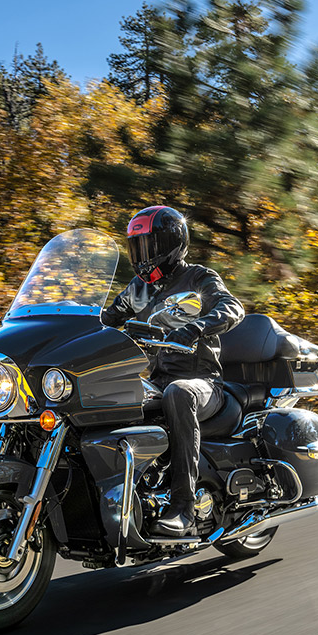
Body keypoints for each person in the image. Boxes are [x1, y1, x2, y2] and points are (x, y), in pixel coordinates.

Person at [101, 206, 245, 536]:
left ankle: (184, 507)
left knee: (178, 393)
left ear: (171, 244)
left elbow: (232, 307)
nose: (141, 255)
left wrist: (196, 327)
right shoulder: (137, 290)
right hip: (155, 381)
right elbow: (105, 320)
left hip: (202, 383)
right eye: (136, 247)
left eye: (148, 246)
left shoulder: (198, 278)